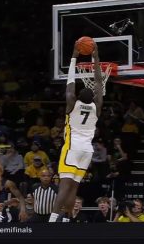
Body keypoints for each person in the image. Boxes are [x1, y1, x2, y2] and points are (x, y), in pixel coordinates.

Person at [49, 41, 102, 223]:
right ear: (93, 98)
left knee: (64, 185)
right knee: (74, 188)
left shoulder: (72, 104)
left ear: (78, 96)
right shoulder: (97, 107)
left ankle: (53, 220)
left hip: (72, 148)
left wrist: (74, 56)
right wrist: (95, 57)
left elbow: (70, 83)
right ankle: (67, 220)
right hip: (87, 151)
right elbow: (99, 82)